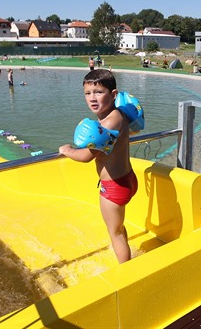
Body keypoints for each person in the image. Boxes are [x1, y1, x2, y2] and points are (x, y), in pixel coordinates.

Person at [59, 69, 137, 263]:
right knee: (118, 227)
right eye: (88, 93)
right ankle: (127, 259)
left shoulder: (109, 123)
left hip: (114, 187)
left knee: (115, 234)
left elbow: (86, 156)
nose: (92, 98)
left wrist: (67, 150)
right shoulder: (119, 115)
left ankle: (127, 275)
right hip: (127, 178)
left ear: (113, 94)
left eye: (99, 92)